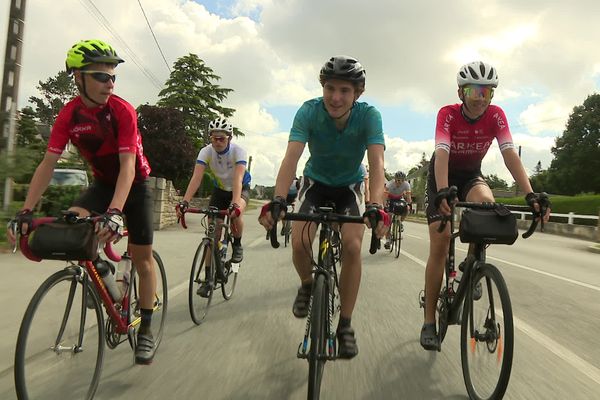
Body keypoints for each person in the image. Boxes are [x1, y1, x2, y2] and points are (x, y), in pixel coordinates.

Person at [7, 39, 157, 364]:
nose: (110, 83)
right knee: (71, 220)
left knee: (143, 259)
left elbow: (129, 167)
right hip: (104, 183)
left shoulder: (122, 111)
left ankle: (145, 329)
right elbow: (48, 164)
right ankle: (100, 269)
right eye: (102, 76)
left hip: (136, 185)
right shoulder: (69, 115)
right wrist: (26, 209)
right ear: (79, 77)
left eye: (113, 76)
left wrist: (116, 212)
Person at [258, 55, 389, 359]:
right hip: (315, 182)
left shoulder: (370, 116)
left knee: (353, 247)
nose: (336, 97)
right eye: (330, 88)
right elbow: (291, 158)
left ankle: (345, 324)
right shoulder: (309, 111)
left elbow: (377, 162)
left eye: (345, 90)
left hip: (350, 187)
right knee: (300, 240)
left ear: (358, 93)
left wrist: (375, 205)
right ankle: (306, 284)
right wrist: (278, 200)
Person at [420, 61, 551, 350]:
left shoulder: (496, 115)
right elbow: (441, 154)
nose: (481, 97)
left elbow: (509, 155)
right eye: (474, 90)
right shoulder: (448, 114)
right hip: (441, 176)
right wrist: (443, 192)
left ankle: (472, 263)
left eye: (487, 92)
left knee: (488, 206)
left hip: (470, 175)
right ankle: (429, 320)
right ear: (461, 92)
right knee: (440, 242)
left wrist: (530, 194)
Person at [176, 117, 251, 295]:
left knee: (236, 212)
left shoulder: (238, 152)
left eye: (221, 138)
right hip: (220, 191)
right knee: (212, 234)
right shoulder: (206, 152)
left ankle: (238, 245)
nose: (217, 142)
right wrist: (184, 202)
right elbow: (196, 178)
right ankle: (208, 279)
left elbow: (238, 178)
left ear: (229, 138)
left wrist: (234, 203)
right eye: (214, 138)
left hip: (240, 188)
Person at [383, 171, 411, 249]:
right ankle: (388, 240)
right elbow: (384, 197)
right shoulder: (390, 184)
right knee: (389, 218)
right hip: (390, 198)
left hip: (399, 198)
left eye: (400, 180)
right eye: (396, 180)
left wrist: (409, 204)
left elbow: (408, 197)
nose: (398, 182)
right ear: (394, 179)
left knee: (407, 208)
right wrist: (385, 206)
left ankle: (400, 222)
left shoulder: (406, 184)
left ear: (403, 180)